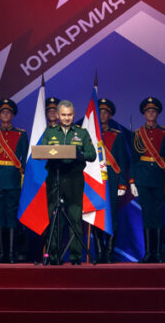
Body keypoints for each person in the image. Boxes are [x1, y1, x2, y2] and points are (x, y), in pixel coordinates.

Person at [42, 100, 96, 265]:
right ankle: (53, 256)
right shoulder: (50, 133)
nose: (66, 118)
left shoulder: (82, 133)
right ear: (58, 115)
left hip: (74, 179)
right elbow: (42, 151)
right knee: (54, 218)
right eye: (63, 115)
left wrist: (78, 154)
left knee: (74, 217)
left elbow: (92, 155)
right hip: (55, 177)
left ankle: (75, 257)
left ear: (74, 115)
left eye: (70, 115)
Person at [0, 98, 29, 263]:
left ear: (13, 114)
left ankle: (11, 253)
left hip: (14, 181)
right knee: (0, 217)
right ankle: (2, 254)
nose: (5, 114)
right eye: (3, 112)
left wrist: (24, 181)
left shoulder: (21, 134)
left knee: (12, 217)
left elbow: (25, 162)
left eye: (8, 112)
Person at [129, 97, 165, 263]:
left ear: (157, 113)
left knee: (158, 216)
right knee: (147, 216)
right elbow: (133, 159)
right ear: (144, 113)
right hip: (142, 178)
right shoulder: (136, 134)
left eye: (153, 111)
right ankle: (148, 253)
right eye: (148, 111)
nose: (151, 113)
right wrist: (132, 181)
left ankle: (157, 253)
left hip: (159, 178)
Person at [92, 98, 129, 263]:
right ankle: (99, 252)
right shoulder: (90, 135)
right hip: (95, 179)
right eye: (100, 111)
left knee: (111, 217)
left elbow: (122, 161)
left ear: (110, 115)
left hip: (112, 180)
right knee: (96, 216)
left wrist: (122, 183)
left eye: (105, 112)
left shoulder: (117, 136)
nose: (102, 115)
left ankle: (109, 252)